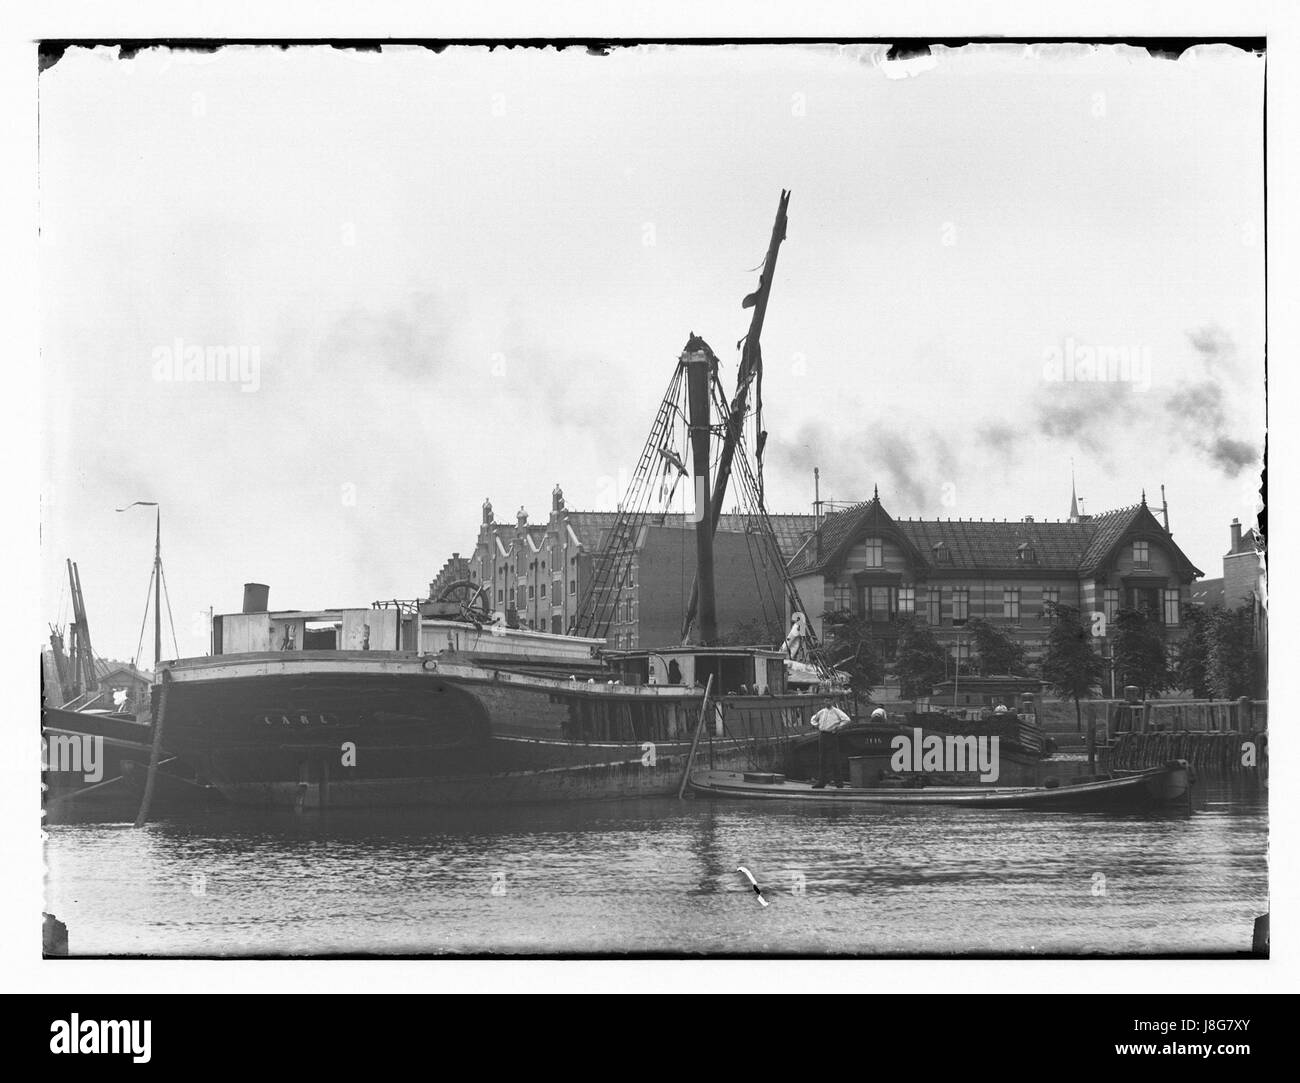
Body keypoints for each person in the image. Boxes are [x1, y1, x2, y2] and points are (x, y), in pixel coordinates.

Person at [809, 697, 851, 789]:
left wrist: (839, 727)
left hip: (832, 736)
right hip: (822, 736)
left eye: (829, 700)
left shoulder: (836, 711)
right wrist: (817, 725)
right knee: (822, 759)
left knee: (834, 759)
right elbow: (813, 719)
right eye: (826, 700)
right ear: (824, 701)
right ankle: (821, 782)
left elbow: (847, 719)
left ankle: (839, 783)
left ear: (832, 701)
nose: (827, 702)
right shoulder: (821, 712)